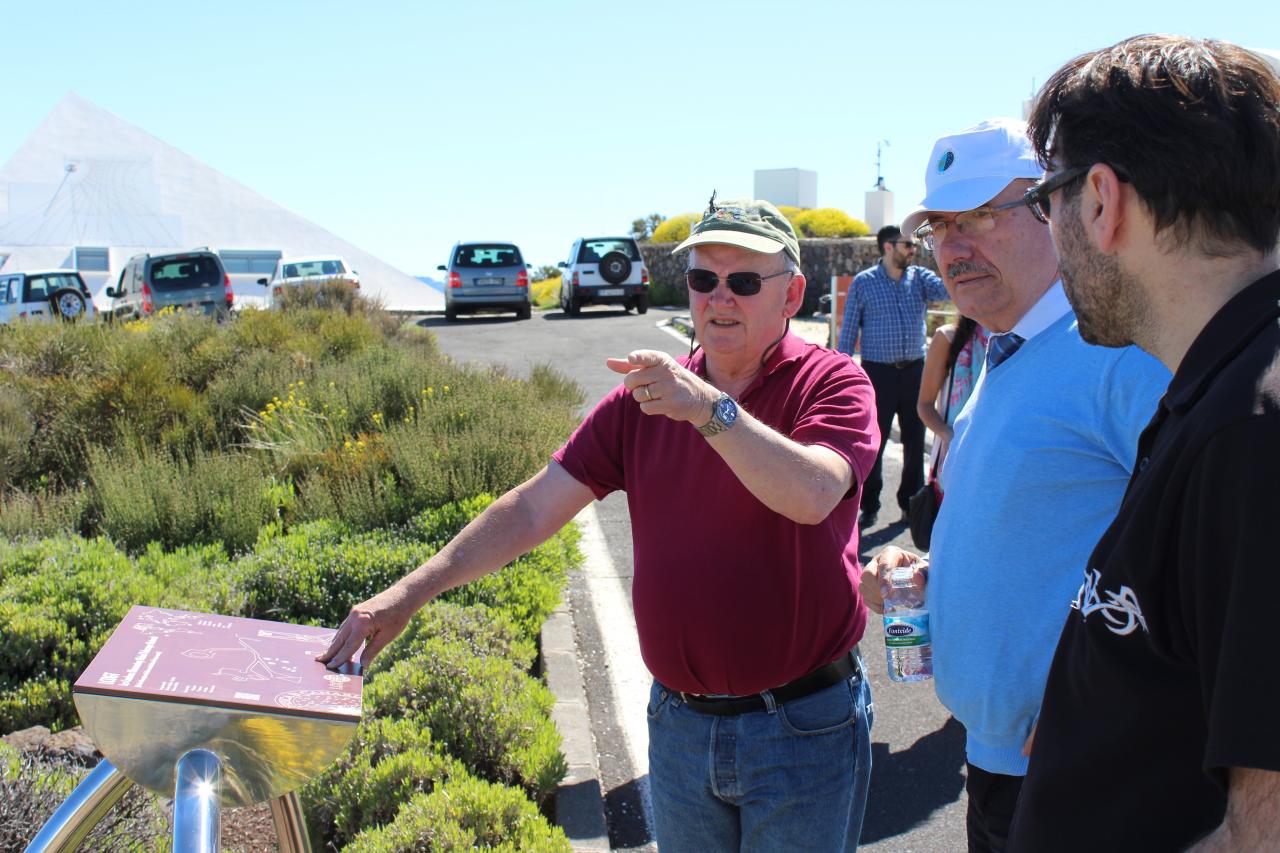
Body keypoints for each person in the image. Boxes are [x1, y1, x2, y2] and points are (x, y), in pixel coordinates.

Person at [320, 197, 882, 852]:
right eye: (704, 279)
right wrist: (408, 593)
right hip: (680, 730)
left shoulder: (832, 383)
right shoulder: (643, 401)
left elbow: (813, 491)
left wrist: (708, 410)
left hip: (801, 730)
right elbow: (533, 508)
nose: (718, 298)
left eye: (743, 282)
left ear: (791, 294)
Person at [858, 118, 1169, 853]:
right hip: (1000, 765)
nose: (954, 247)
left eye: (980, 218)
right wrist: (935, 574)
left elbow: (1212, 559)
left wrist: (1113, 707)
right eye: (940, 226)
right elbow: (1046, 533)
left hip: (1079, 777)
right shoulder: (1007, 352)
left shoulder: (1118, 356)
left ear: (1053, 208)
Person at [1007, 36, 1280, 852]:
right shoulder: (1225, 386)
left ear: (1099, 200)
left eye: (1043, 201)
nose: (1051, 233)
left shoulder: (1252, 430)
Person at [837, 224, 951, 527]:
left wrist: (944, 250)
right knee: (875, 441)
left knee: (915, 443)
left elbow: (951, 289)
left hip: (916, 372)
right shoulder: (864, 282)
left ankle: (909, 505)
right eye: (909, 245)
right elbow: (848, 329)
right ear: (889, 246)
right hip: (878, 375)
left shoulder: (921, 279)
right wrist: (841, 371)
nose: (914, 250)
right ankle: (870, 503)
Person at [916, 315, 989, 475]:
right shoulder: (948, 337)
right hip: (951, 464)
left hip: (994, 462)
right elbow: (924, 405)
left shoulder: (1013, 341)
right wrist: (947, 434)